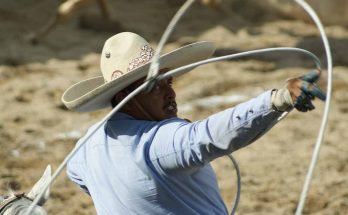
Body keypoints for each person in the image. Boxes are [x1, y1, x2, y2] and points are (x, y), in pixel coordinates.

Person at [62, 32, 325, 214]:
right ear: (125, 97)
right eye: (155, 86)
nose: (170, 93)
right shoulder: (160, 143)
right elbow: (209, 135)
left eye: (169, 81)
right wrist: (278, 99)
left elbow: (76, 174)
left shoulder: (86, 147)